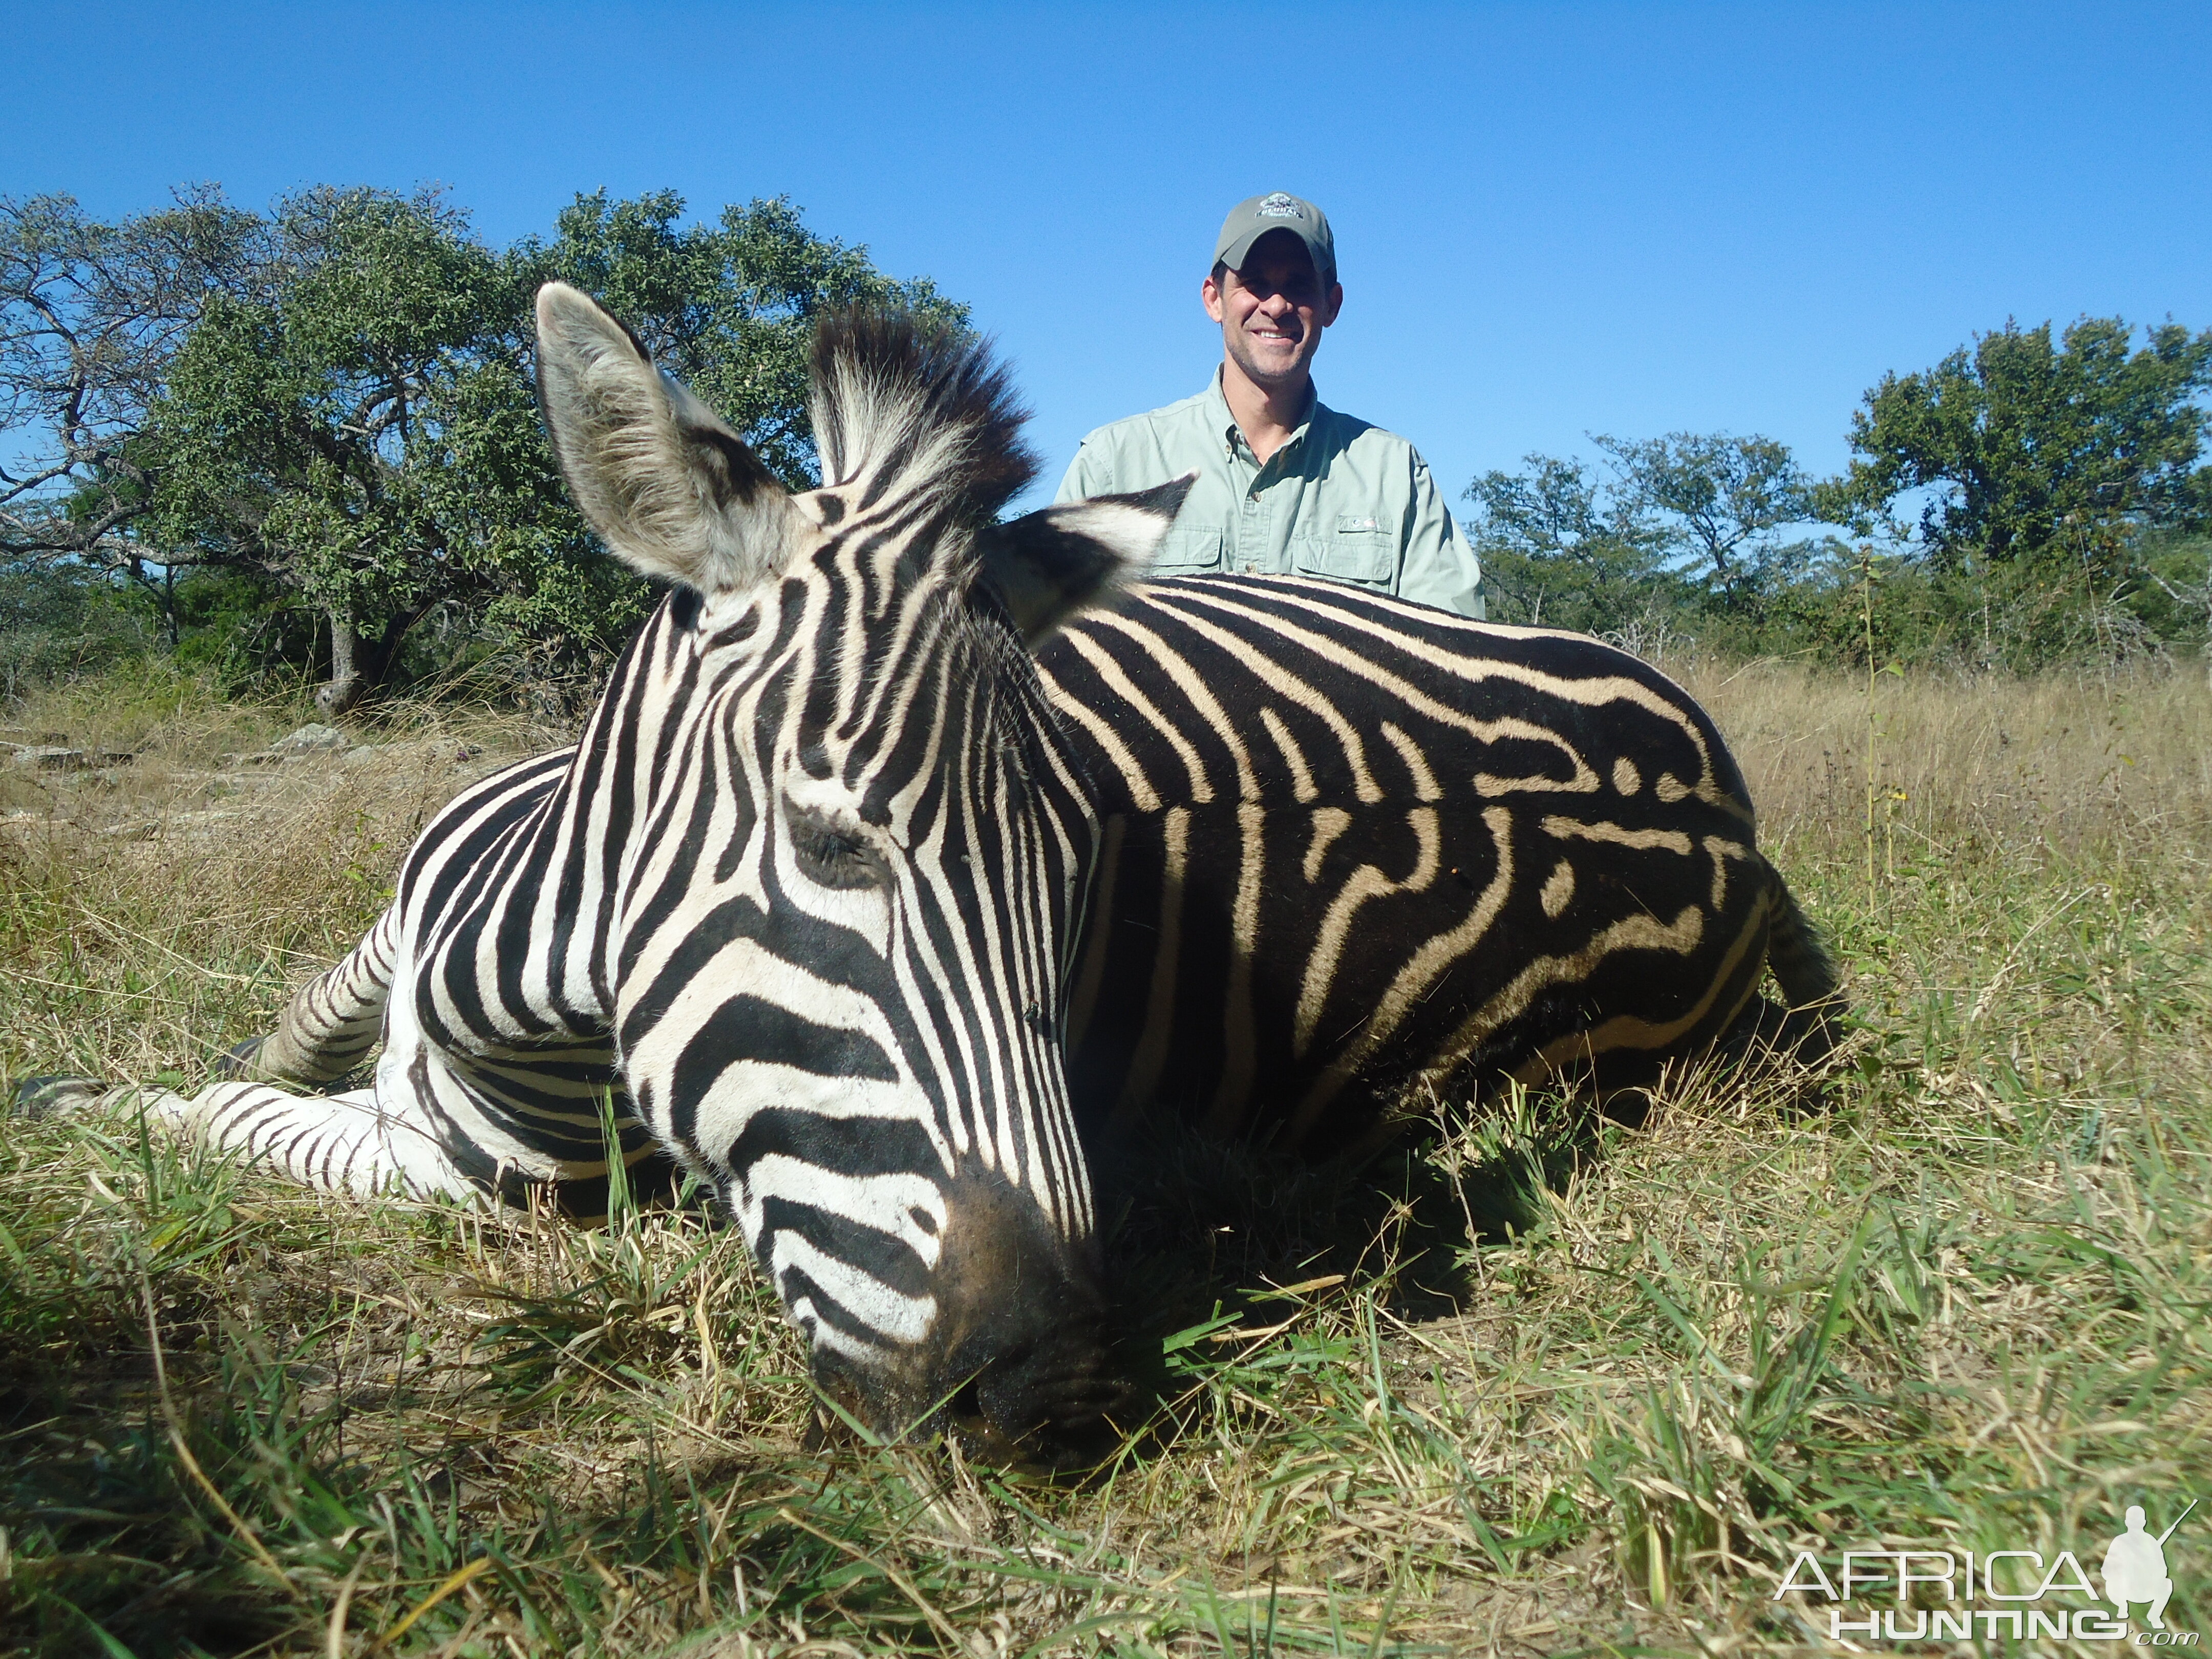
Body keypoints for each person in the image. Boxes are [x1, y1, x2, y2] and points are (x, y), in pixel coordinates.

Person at [1056, 191, 1483, 618]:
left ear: (1331, 305)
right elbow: (1039, 649)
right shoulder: (1113, 465)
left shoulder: (1395, 475)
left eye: (1298, 284)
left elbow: (1455, 660)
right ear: (1213, 299)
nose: (1277, 305)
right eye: (1255, 282)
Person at [2102, 1506, 2176, 1629]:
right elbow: (2107, 1570)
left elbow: (2163, 1570)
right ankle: (2122, 1609)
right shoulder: (2120, 1541)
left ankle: (2154, 1615)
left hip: (2146, 1590)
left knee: (2168, 1584)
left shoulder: (2151, 1542)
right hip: (2124, 1591)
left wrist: (2148, 1571)